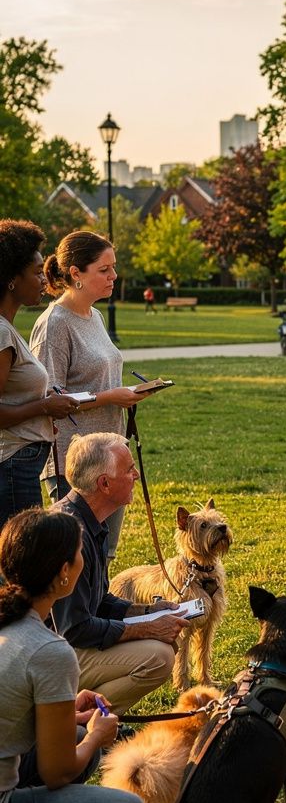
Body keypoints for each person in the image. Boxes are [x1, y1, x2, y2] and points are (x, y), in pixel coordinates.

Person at [0, 507, 146, 803]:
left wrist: (67, 710)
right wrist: (99, 735)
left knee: (79, 733)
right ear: (64, 574)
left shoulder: (11, 623)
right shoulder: (49, 650)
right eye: (80, 552)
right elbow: (58, 769)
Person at [30, 231, 152, 560]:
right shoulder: (54, 324)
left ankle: (101, 613)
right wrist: (109, 397)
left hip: (111, 455)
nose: (114, 276)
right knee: (76, 560)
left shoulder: (94, 316)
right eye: (104, 269)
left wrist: (125, 393)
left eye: (114, 268)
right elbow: (48, 399)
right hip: (76, 461)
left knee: (104, 555)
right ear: (76, 274)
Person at [51, 433, 188, 713]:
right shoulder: (70, 534)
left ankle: (86, 719)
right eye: (128, 469)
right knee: (159, 657)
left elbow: (99, 601)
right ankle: (79, 721)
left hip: (64, 645)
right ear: (104, 483)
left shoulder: (89, 523)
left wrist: (149, 610)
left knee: (162, 646)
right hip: (50, 656)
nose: (136, 475)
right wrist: (147, 628)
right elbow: (74, 629)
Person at [0, 219, 80, 531]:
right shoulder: (2, 334)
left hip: (24, 461)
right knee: (18, 566)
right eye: (35, 272)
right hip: (13, 465)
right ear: (11, 279)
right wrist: (44, 408)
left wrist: (45, 407)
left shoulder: (8, 329)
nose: (43, 281)